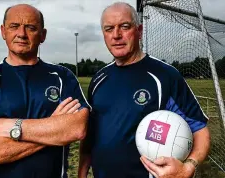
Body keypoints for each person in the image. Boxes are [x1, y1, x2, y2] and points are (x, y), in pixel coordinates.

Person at [0, 4, 91, 178]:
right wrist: (53, 129)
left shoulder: (62, 77)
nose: (22, 34)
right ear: (3, 31)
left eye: (31, 27)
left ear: (43, 35)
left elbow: (76, 129)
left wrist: (9, 126)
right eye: (14, 26)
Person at [78, 2, 210, 178]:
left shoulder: (165, 76)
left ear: (139, 31)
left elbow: (200, 130)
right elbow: (90, 132)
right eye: (109, 29)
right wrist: (82, 170)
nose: (116, 35)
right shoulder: (99, 79)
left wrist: (188, 167)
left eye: (124, 27)